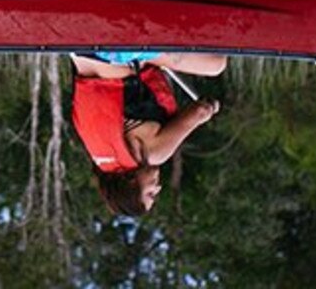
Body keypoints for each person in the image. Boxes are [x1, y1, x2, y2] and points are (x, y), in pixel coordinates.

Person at [70, 52, 226, 215]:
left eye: (150, 193)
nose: (157, 187)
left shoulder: (153, 154)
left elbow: (201, 111)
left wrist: (212, 108)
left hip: (119, 55)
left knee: (216, 65)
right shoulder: (97, 151)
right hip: (80, 53)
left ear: (131, 186)